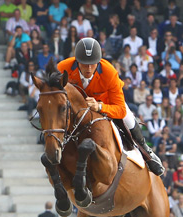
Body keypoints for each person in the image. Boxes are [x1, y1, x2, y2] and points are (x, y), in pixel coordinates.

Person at [56, 38, 164, 175]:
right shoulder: (62, 68)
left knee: (128, 117)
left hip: (105, 103)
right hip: (76, 108)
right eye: (84, 63)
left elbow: (120, 109)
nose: (89, 68)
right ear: (77, 61)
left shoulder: (109, 72)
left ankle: (146, 151)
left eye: (92, 64)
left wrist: (100, 107)